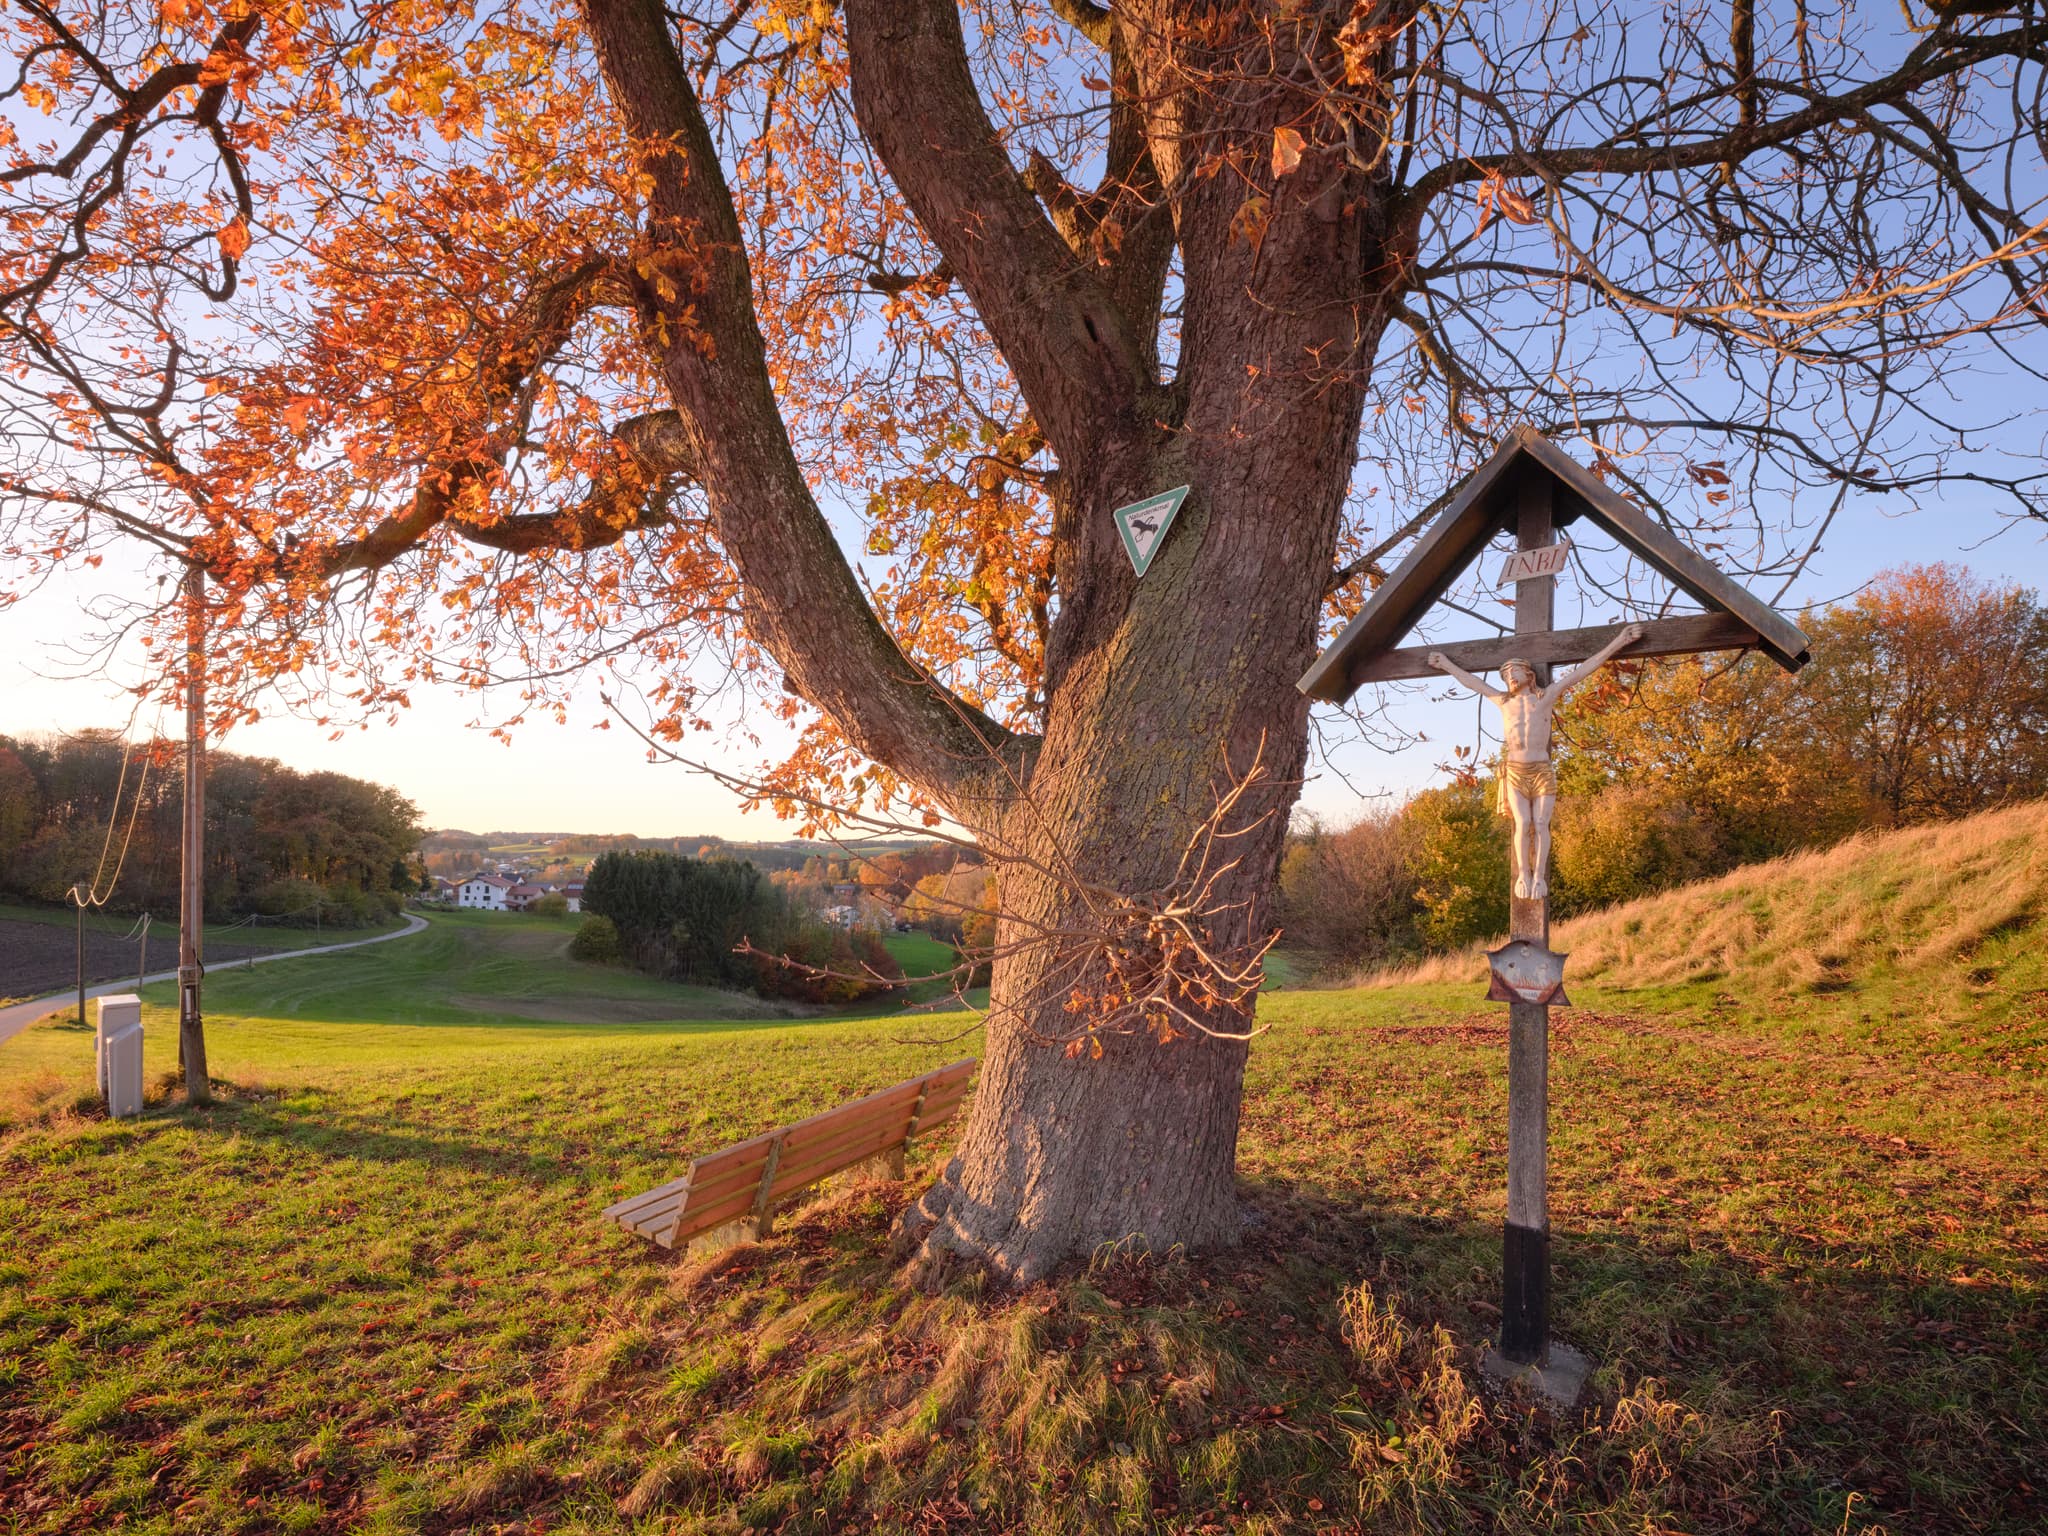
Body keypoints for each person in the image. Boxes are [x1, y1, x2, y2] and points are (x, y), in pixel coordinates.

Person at [1427, 622, 1647, 900]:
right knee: (1522, 823)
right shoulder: (1503, 701)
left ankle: (1539, 877)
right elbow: (1473, 682)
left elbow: (1582, 670)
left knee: (1540, 824)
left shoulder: (1546, 698)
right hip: (1516, 770)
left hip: (1541, 769)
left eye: (1514, 673)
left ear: (1529, 675)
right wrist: (1446, 664)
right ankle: (1524, 875)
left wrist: (1619, 642)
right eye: (1506, 676)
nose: (1509, 679)